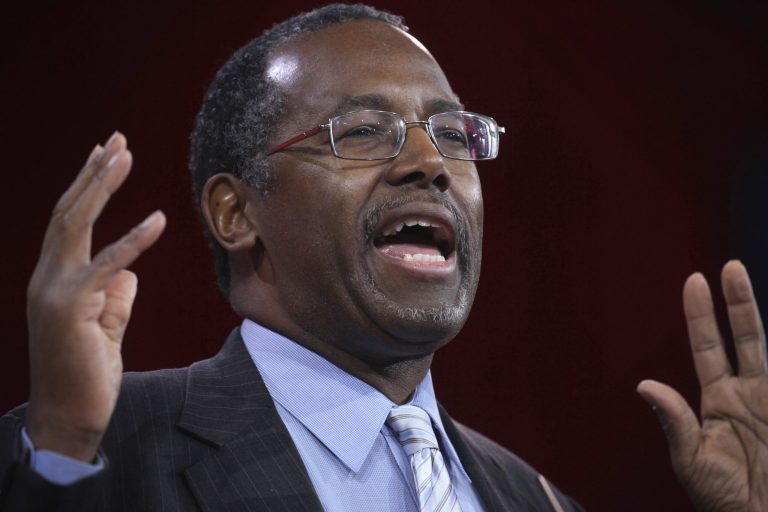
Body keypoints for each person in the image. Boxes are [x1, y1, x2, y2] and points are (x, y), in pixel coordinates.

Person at [1, 4, 766, 511]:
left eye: (455, 136)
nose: (430, 164)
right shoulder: (97, 443)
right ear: (238, 212)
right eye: (364, 133)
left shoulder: (532, 498)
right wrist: (63, 453)